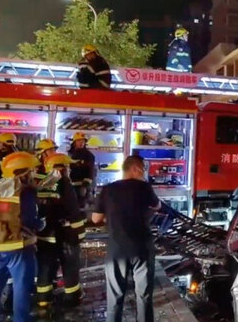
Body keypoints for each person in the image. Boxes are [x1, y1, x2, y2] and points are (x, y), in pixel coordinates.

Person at [92, 155, 161, 322]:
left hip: (117, 249)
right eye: (143, 169)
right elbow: (157, 206)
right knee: (144, 296)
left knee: (115, 298)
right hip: (142, 248)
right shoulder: (144, 187)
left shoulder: (108, 189)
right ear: (135, 169)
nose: (144, 173)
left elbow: (95, 218)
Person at [0, 152, 45, 322]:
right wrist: (41, 224)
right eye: (31, 170)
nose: (33, 174)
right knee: (21, 288)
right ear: (23, 172)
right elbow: (29, 219)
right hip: (19, 246)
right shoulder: (25, 191)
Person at [36, 153, 84, 309]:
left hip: (43, 235)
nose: (69, 169)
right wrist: (79, 234)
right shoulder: (64, 183)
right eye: (67, 166)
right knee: (70, 265)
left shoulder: (40, 183)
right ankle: (72, 297)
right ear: (62, 168)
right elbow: (73, 210)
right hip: (63, 234)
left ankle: (43, 299)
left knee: (45, 267)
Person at [69, 132, 96, 210]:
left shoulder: (89, 156)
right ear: (74, 142)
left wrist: (85, 185)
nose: (81, 143)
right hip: (70, 186)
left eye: (83, 141)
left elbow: (90, 171)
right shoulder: (69, 154)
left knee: (81, 208)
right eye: (79, 141)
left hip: (82, 186)